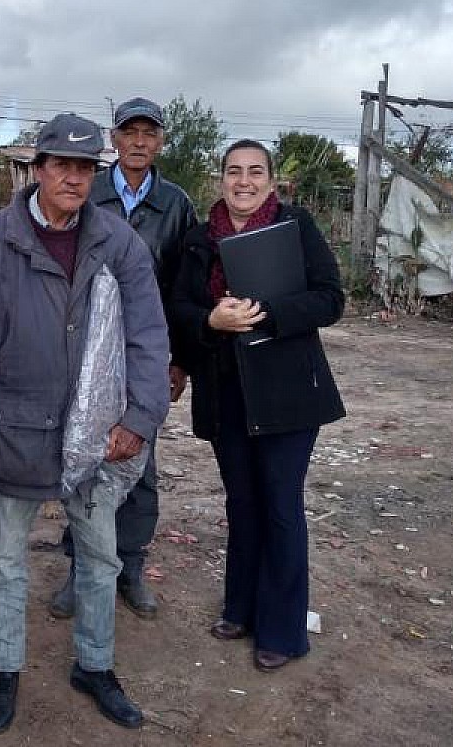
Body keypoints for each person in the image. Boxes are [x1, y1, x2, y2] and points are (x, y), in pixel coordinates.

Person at [0, 114, 171, 734]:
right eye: (61, 165)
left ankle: (94, 665)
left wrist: (140, 419)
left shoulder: (118, 243)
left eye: (85, 168)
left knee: (99, 559)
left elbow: (148, 336)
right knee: (9, 557)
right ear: (36, 169)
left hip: (97, 436)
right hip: (17, 430)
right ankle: (5, 669)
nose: (73, 178)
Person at [168, 139, 345, 671]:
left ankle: (284, 630)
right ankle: (240, 609)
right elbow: (176, 305)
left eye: (255, 172)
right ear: (219, 178)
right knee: (242, 504)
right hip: (226, 391)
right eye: (233, 171)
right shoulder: (199, 240)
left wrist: (265, 312)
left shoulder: (295, 229)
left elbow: (330, 299)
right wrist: (209, 321)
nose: (243, 181)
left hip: (288, 392)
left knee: (280, 507)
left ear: (271, 180)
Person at [51, 96, 197, 620]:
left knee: (140, 462)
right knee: (81, 453)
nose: (138, 143)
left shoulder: (176, 204)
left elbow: (185, 287)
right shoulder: (89, 196)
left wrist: (179, 361)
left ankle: (129, 563)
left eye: (148, 134)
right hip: (85, 348)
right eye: (129, 132)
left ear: (160, 142)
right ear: (114, 139)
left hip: (146, 353)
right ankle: (80, 564)